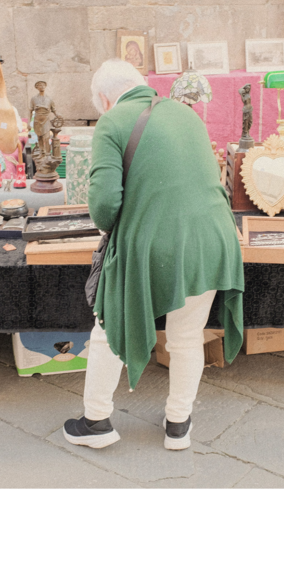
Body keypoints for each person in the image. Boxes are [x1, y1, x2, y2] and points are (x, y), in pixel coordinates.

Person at [63, 59, 244, 451]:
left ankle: (96, 421)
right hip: (214, 240)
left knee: (109, 325)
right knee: (187, 336)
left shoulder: (111, 122)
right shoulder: (186, 114)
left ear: (104, 99)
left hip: (156, 243)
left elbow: (104, 207)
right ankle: (178, 425)